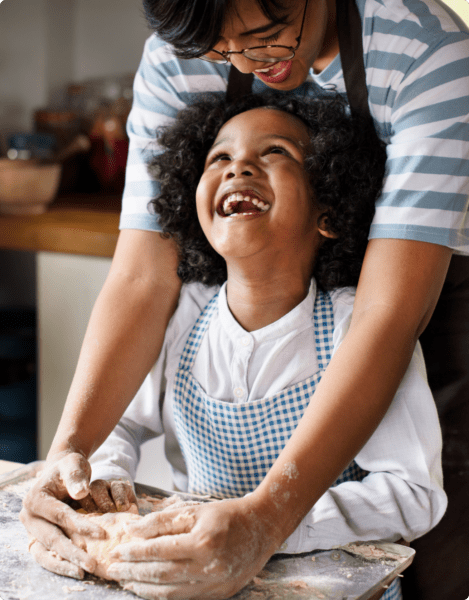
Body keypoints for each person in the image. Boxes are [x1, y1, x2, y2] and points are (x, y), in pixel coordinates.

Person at [20, 1, 468, 599]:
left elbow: (387, 315)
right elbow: (142, 279)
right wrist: (72, 456)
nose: (247, 63)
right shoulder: (192, 322)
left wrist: (269, 521)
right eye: (219, 51)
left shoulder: (426, 52)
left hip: (418, 308)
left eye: (266, 36)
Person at [83, 94, 445, 600]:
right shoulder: (180, 316)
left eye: (275, 152)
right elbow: (118, 422)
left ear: (330, 211)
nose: (240, 168)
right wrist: (106, 484)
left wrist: (274, 527)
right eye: (220, 158)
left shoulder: (358, 327)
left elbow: (413, 495)